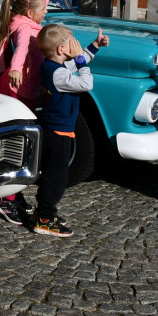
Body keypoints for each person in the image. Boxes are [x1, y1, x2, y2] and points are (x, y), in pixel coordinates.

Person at [0, 0, 66, 225]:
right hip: (17, 90)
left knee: (25, 145)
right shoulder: (25, 29)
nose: (47, 12)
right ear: (31, 13)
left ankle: (14, 192)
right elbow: (20, 50)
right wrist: (17, 69)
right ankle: (4, 199)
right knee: (18, 145)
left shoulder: (29, 20)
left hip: (26, 92)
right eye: (44, 10)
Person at [31, 23, 108, 237]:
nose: (75, 47)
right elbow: (86, 82)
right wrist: (81, 59)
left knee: (53, 175)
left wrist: (94, 45)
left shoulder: (55, 67)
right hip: (57, 133)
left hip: (56, 130)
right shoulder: (57, 74)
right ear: (60, 50)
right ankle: (44, 219)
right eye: (70, 43)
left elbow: (77, 63)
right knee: (56, 179)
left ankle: (44, 211)